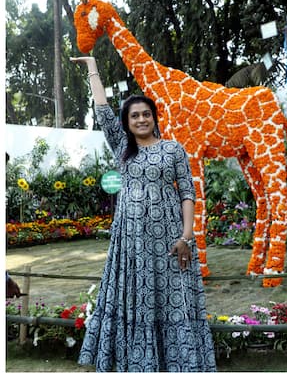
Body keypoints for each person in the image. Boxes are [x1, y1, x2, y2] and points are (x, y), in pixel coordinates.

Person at [70, 56, 216, 372]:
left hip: (169, 242)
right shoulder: (122, 146)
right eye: (134, 115)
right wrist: (94, 65)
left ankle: (177, 362)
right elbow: (102, 109)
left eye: (146, 114)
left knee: (172, 297)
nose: (141, 119)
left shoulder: (174, 149)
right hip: (130, 244)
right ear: (127, 122)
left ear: (154, 117)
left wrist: (186, 237)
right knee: (134, 300)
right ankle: (134, 361)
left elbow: (188, 194)